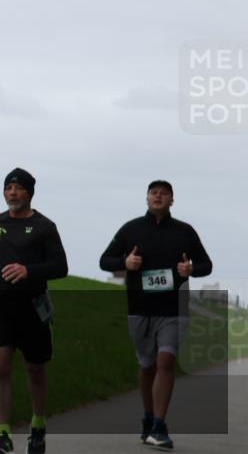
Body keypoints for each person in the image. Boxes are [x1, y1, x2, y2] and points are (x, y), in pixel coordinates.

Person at [99, 180, 212, 450]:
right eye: (154, 193)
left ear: (172, 199)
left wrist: (191, 269)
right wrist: (125, 263)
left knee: (166, 361)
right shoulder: (131, 229)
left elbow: (207, 265)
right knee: (147, 365)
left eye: (164, 193)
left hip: (174, 309)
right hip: (140, 308)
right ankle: (148, 418)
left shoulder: (185, 232)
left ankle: (160, 426)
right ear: (147, 198)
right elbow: (105, 260)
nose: (158, 196)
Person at [0, 168, 68, 454]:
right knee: (0, 366)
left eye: (18, 188)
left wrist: (28, 270)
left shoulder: (44, 226)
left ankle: (37, 427)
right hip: (2, 305)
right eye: (8, 188)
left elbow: (60, 267)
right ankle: (3, 435)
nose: (12, 193)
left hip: (33, 306)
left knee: (35, 369)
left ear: (29, 192)